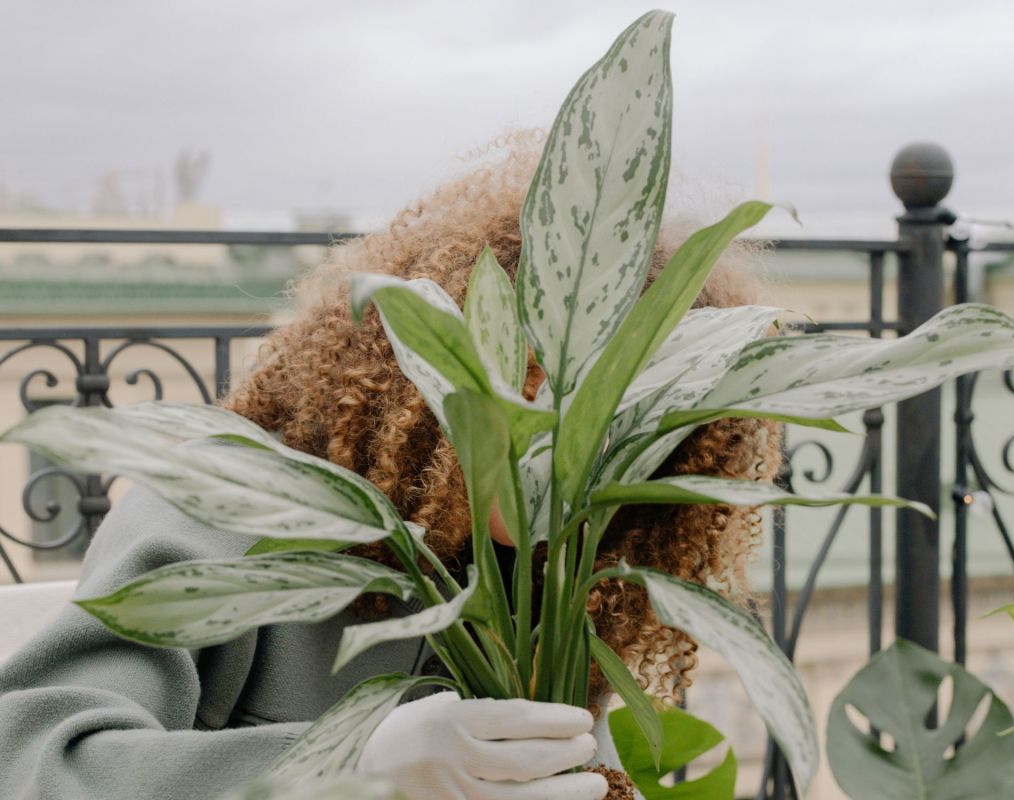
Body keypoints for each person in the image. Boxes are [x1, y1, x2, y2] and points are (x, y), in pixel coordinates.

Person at [0, 133, 781, 800]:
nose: (574, 447)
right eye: (541, 386)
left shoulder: (558, 585)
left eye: (629, 418)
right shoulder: (231, 503)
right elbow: (34, 764)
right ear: (427, 363)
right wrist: (357, 769)